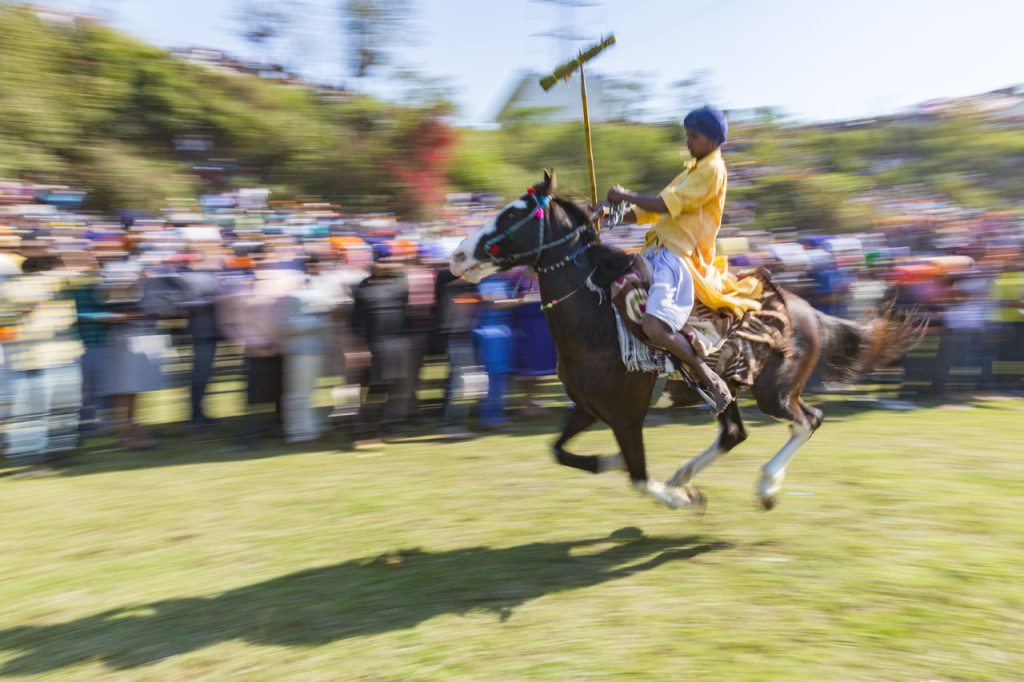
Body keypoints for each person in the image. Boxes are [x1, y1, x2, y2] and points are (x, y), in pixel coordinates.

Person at [601, 105, 762, 413]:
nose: (688, 142)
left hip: (678, 258)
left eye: (693, 136)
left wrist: (625, 194)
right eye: (687, 135)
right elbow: (650, 211)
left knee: (654, 327)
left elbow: (662, 204)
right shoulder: (692, 169)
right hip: (653, 251)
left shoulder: (713, 169)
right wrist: (609, 216)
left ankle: (710, 379)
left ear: (713, 139)